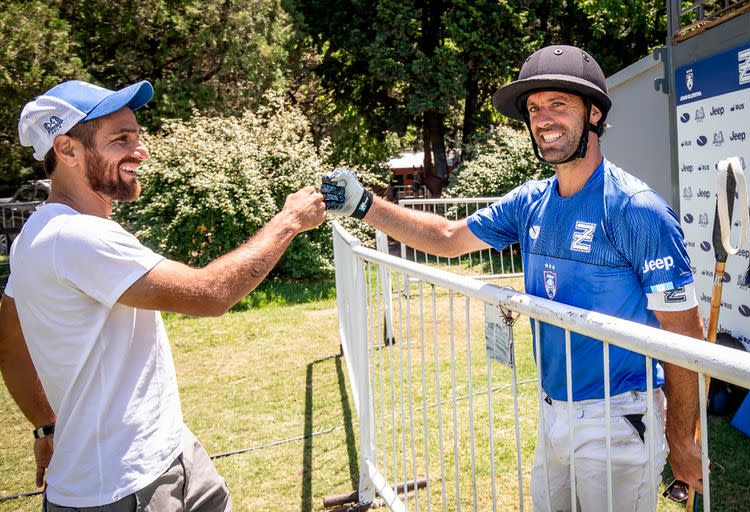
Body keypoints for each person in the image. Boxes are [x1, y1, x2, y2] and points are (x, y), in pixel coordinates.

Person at [321, 45, 705, 510]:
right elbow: (446, 236)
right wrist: (365, 205)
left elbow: (684, 335)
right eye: (535, 109)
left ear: (596, 114)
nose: (543, 119)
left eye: (559, 105)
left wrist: (682, 441)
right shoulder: (530, 202)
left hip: (620, 419)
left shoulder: (637, 210)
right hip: (551, 412)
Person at [0, 80, 326, 511]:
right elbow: (212, 294)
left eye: (136, 136)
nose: (140, 151)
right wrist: (289, 221)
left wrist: (46, 427)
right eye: (121, 139)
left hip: (170, 452)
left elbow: (10, 340)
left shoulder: (36, 234)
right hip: (123, 489)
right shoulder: (77, 237)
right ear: (67, 150)